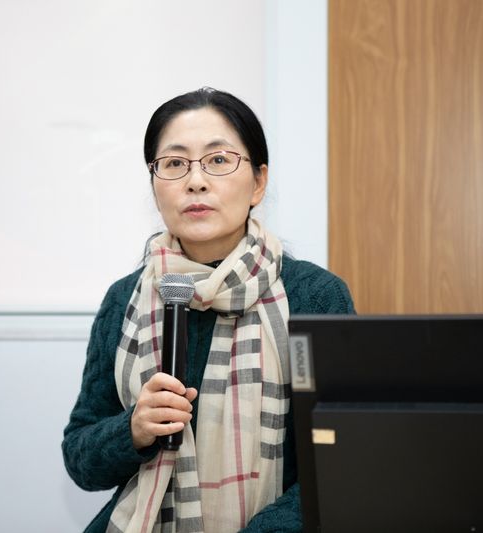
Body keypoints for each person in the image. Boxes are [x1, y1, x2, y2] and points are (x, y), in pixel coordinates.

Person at [62, 87, 354, 532]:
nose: (195, 181)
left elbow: (336, 462)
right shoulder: (125, 299)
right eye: (174, 164)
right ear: (154, 185)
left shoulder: (314, 297)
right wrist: (133, 430)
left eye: (218, 160)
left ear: (259, 182)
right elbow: (81, 460)